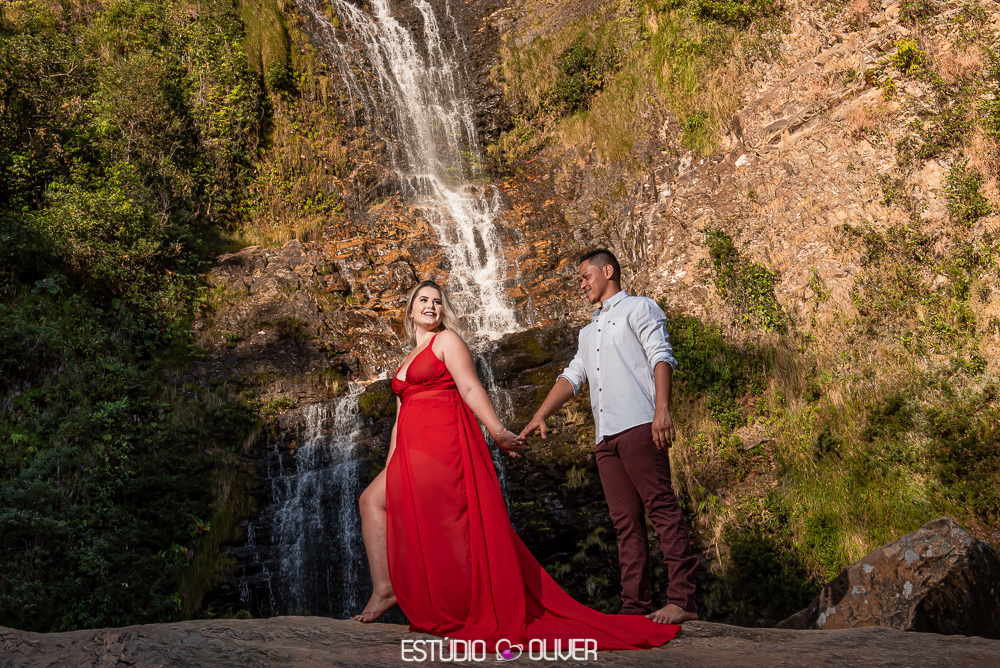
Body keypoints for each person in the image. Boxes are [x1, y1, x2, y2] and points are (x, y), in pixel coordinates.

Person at [351, 280, 681, 650]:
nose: (431, 306)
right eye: (424, 300)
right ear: (410, 310)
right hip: (412, 452)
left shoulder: (447, 341)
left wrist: (498, 432)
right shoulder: (407, 360)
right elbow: (401, 419)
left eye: (438, 301)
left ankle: (452, 602)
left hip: (441, 446)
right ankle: (386, 588)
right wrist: (393, 465)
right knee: (372, 501)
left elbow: (471, 388)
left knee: (449, 526)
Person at [520, 249, 700, 626]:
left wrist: (662, 410)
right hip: (605, 438)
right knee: (625, 523)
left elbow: (661, 356)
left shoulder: (639, 308)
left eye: (585, 277)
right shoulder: (587, 332)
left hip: (639, 423)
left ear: (608, 271)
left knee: (662, 509)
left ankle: (683, 600)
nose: (582, 285)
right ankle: (634, 607)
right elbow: (573, 377)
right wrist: (540, 415)